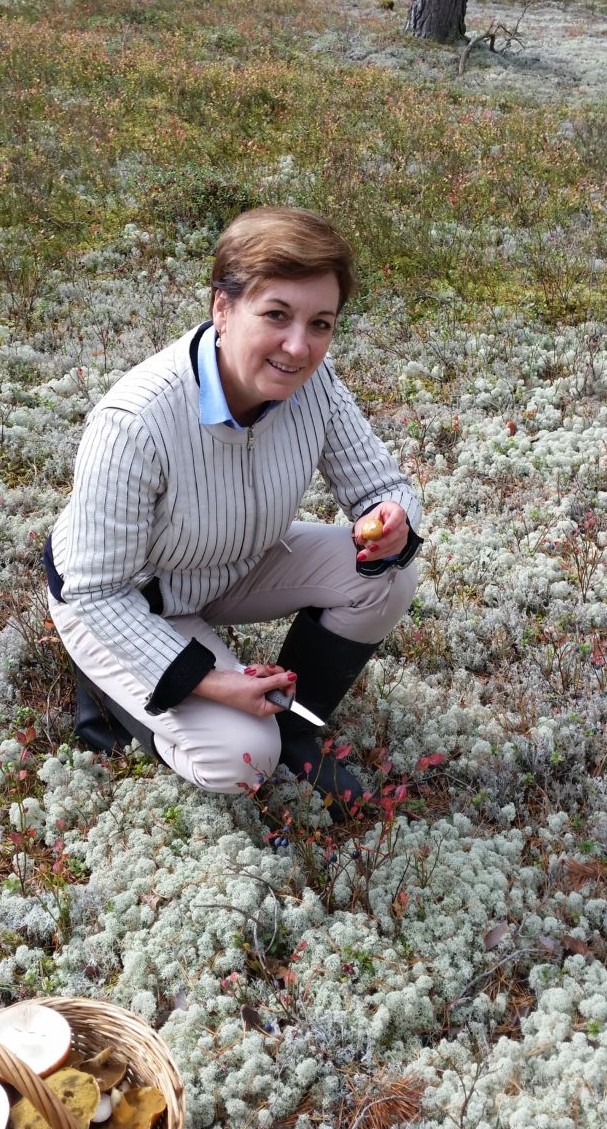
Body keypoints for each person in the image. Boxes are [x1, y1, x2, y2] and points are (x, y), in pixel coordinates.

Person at [44, 207, 422, 803]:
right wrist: (211, 681)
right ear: (222, 307)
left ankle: (295, 726)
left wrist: (392, 518)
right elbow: (96, 592)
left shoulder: (314, 383)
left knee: (389, 574)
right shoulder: (135, 421)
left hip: (232, 564)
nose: (299, 347)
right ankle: (108, 694)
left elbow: (383, 485)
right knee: (243, 760)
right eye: (276, 315)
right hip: (124, 598)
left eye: (320, 323)